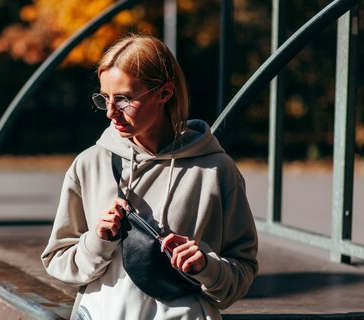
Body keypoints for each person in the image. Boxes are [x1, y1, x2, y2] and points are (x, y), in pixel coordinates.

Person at [41, 34, 258, 320]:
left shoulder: (217, 170)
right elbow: (58, 261)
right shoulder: (90, 164)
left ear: (164, 93)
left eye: (124, 100)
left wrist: (206, 265)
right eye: (104, 98)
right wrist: (98, 241)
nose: (110, 112)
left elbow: (241, 271)